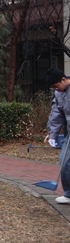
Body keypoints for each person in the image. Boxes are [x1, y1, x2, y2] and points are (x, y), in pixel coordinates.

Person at [45, 68, 70, 204]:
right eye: (53, 88)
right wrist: (52, 135)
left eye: (56, 86)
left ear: (63, 80)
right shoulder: (59, 94)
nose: (56, 89)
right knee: (64, 161)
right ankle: (68, 194)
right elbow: (56, 115)